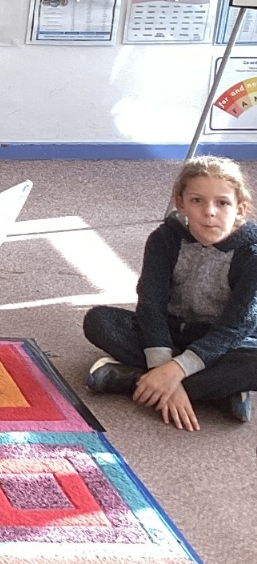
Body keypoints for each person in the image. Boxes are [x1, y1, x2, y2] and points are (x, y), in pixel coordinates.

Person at [83, 156, 257, 426]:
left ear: (240, 209)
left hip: (224, 342)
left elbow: (233, 329)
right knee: (99, 321)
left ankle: (133, 379)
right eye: (197, 200)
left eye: (222, 203)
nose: (209, 212)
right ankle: (213, 392)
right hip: (170, 331)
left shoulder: (251, 254)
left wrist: (176, 370)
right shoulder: (164, 239)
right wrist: (164, 366)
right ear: (181, 203)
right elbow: (151, 306)